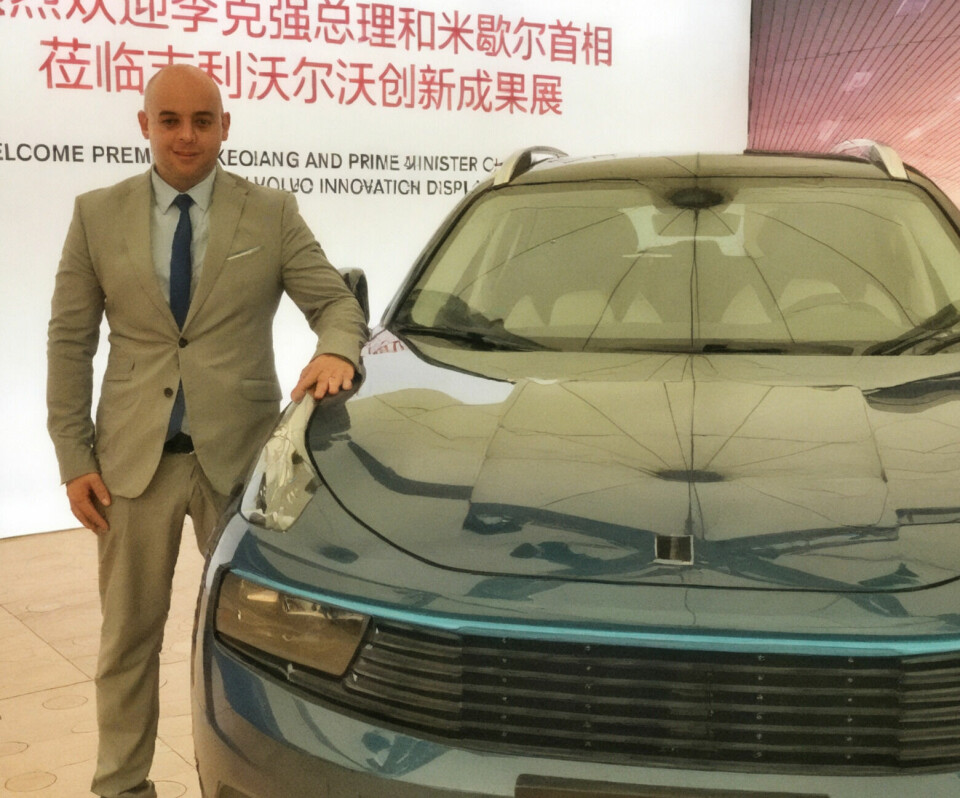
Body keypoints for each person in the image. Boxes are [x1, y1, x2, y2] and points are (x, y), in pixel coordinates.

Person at [46, 64, 368, 798]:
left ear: (225, 126)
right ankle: (121, 785)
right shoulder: (97, 214)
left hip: (241, 465)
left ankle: (264, 779)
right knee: (127, 640)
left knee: (265, 640)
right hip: (132, 466)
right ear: (145, 125)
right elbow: (70, 342)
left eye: (202, 120)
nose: (186, 135)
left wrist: (335, 350)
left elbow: (336, 305)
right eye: (170, 120)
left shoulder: (271, 212)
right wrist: (72, 455)